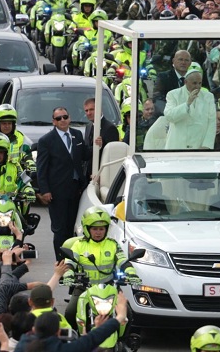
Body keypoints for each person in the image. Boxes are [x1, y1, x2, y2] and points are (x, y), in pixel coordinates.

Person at [62, 206, 141, 348]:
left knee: (127, 312)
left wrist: (131, 273)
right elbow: (70, 262)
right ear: (87, 229)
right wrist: (68, 274)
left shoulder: (112, 245)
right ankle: (74, 341)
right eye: (94, 229)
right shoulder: (79, 245)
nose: (98, 232)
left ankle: (124, 340)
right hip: (84, 288)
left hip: (109, 288)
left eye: (101, 229)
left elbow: (123, 261)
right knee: (70, 312)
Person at [36, 107, 88, 261]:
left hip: (75, 189)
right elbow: (41, 168)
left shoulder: (77, 135)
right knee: (59, 229)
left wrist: (98, 144)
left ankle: (71, 260)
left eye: (65, 117)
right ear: (54, 121)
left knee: (72, 227)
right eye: (58, 118)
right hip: (57, 192)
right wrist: (45, 190)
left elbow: (84, 155)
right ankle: (60, 262)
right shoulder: (46, 141)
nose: (62, 120)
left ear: (69, 118)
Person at [14, 292, 131, 352]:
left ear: (34, 329)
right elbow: (92, 339)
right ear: (58, 331)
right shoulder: (65, 349)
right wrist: (120, 316)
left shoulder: (21, 345)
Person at [163, 69, 216, 149]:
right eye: (194, 83)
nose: (197, 86)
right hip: (177, 145)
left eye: (200, 83)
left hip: (200, 146)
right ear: (186, 82)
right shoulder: (173, 94)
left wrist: (207, 145)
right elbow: (169, 116)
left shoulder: (208, 97)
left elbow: (212, 122)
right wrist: (187, 104)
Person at [83, 97, 119, 179]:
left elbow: (112, 156)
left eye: (91, 109)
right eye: (86, 110)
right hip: (88, 175)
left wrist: (101, 146)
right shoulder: (88, 127)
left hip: (102, 175)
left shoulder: (110, 128)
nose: (89, 113)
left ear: (100, 109)